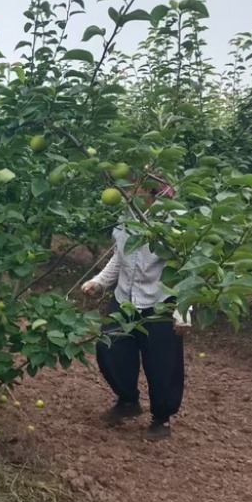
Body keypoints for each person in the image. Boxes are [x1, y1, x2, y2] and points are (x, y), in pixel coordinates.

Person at [83, 175, 189, 442]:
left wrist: (183, 310)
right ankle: (128, 401)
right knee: (109, 348)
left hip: (160, 302)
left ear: (151, 191)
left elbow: (189, 268)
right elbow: (120, 257)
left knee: (162, 363)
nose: (126, 191)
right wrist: (99, 282)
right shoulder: (127, 216)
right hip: (125, 298)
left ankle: (162, 418)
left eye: (133, 187)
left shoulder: (173, 222)